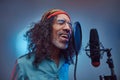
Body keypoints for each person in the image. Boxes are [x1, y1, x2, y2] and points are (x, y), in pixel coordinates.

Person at [11, 8, 75, 80]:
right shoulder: (23, 64)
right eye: (61, 22)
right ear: (46, 29)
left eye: (70, 25)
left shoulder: (65, 63)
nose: (68, 28)